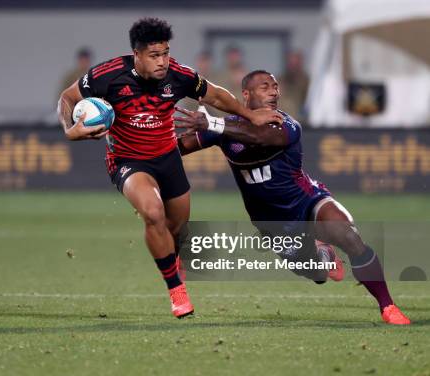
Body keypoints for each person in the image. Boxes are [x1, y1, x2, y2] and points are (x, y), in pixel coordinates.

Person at [57, 18, 282, 318]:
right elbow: (68, 98)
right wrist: (69, 128)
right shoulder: (107, 75)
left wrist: (248, 115)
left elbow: (214, 94)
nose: (163, 61)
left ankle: (172, 260)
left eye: (165, 53)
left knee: (177, 227)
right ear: (136, 54)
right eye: (154, 55)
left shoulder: (177, 75)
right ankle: (176, 290)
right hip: (127, 159)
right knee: (153, 213)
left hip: (167, 157)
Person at [175, 70, 410, 325]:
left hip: (308, 201)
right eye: (265, 87)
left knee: (348, 235)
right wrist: (146, 165)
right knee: (316, 274)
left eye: (275, 87)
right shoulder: (226, 129)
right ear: (246, 94)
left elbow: (260, 136)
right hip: (272, 223)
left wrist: (212, 122)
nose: (274, 92)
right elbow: (178, 149)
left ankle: (388, 306)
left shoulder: (287, 125)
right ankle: (324, 255)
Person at [278, 50, 310, 121]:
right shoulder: (280, 81)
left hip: (303, 122)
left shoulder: (307, 82)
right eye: (291, 64)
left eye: (296, 64)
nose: (293, 68)